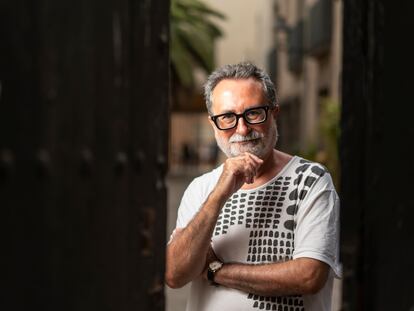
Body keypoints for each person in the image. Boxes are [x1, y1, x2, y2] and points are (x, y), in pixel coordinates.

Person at [165, 62, 341, 311]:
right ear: (213, 124)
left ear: (274, 112)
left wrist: (217, 270)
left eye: (254, 113)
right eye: (227, 117)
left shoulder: (310, 180)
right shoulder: (201, 188)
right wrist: (219, 195)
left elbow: (309, 275)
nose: (242, 128)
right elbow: (175, 274)